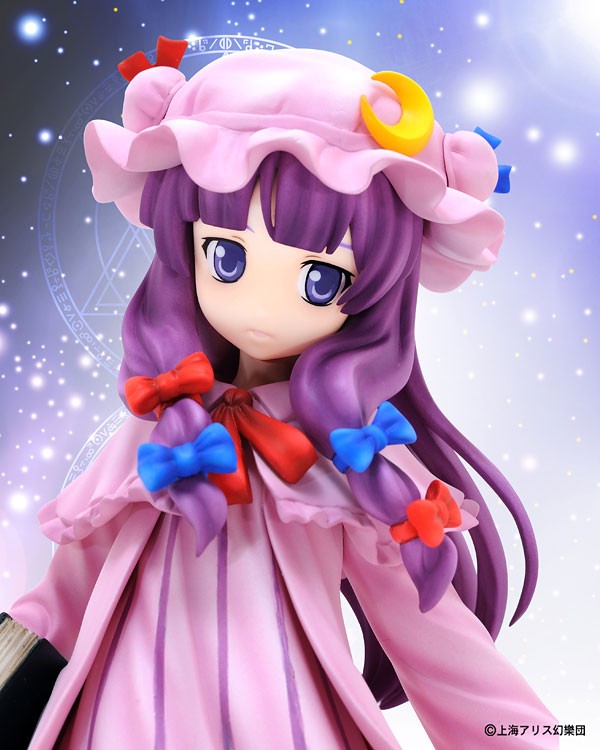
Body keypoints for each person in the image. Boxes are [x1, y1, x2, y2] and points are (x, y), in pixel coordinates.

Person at [5, 39, 557, 749]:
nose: (262, 309)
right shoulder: (157, 429)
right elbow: (64, 597)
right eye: (226, 257)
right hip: (127, 719)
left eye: (319, 280)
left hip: (281, 721)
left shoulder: (351, 460)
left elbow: (441, 652)